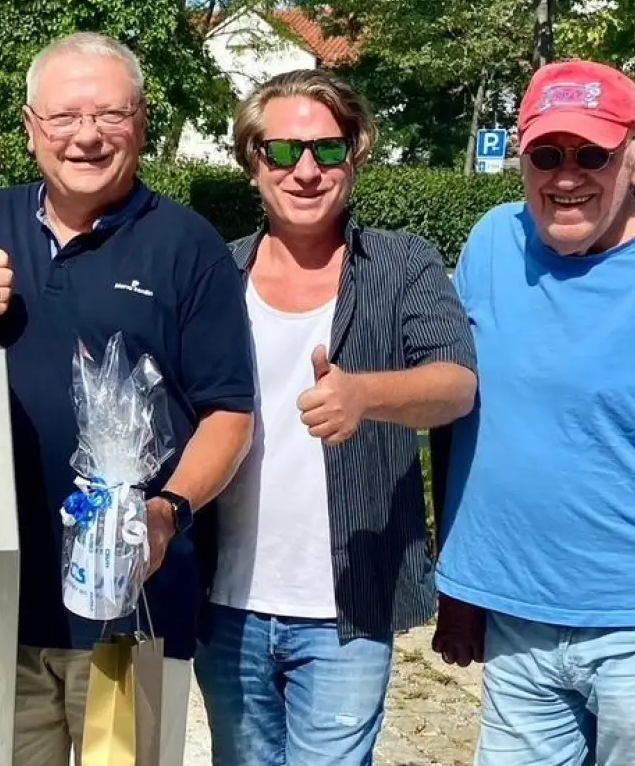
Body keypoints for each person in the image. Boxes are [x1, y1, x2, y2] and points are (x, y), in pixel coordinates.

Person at [0, 31, 256, 766]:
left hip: (129, 614)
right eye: (64, 117)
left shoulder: (188, 245)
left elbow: (230, 413)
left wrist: (168, 513)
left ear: (142, 122)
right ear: (31, 127)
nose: (87, 136)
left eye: (110, 115)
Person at [432, 59, 635, 765]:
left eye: (593, 154)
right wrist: (460, 578)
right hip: (522, 616)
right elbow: (461, 411)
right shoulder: (495, 241)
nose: (566, 176)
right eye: (547, 155)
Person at [196, 70, 477, 766]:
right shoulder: (216, 274)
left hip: (347, 605)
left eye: (326, 149)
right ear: (252, 161)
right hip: (225, 601)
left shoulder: (404, 265)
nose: (306, 171)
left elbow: (457, 384)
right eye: (284, 152)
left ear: (356, 155)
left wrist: (366, 397)